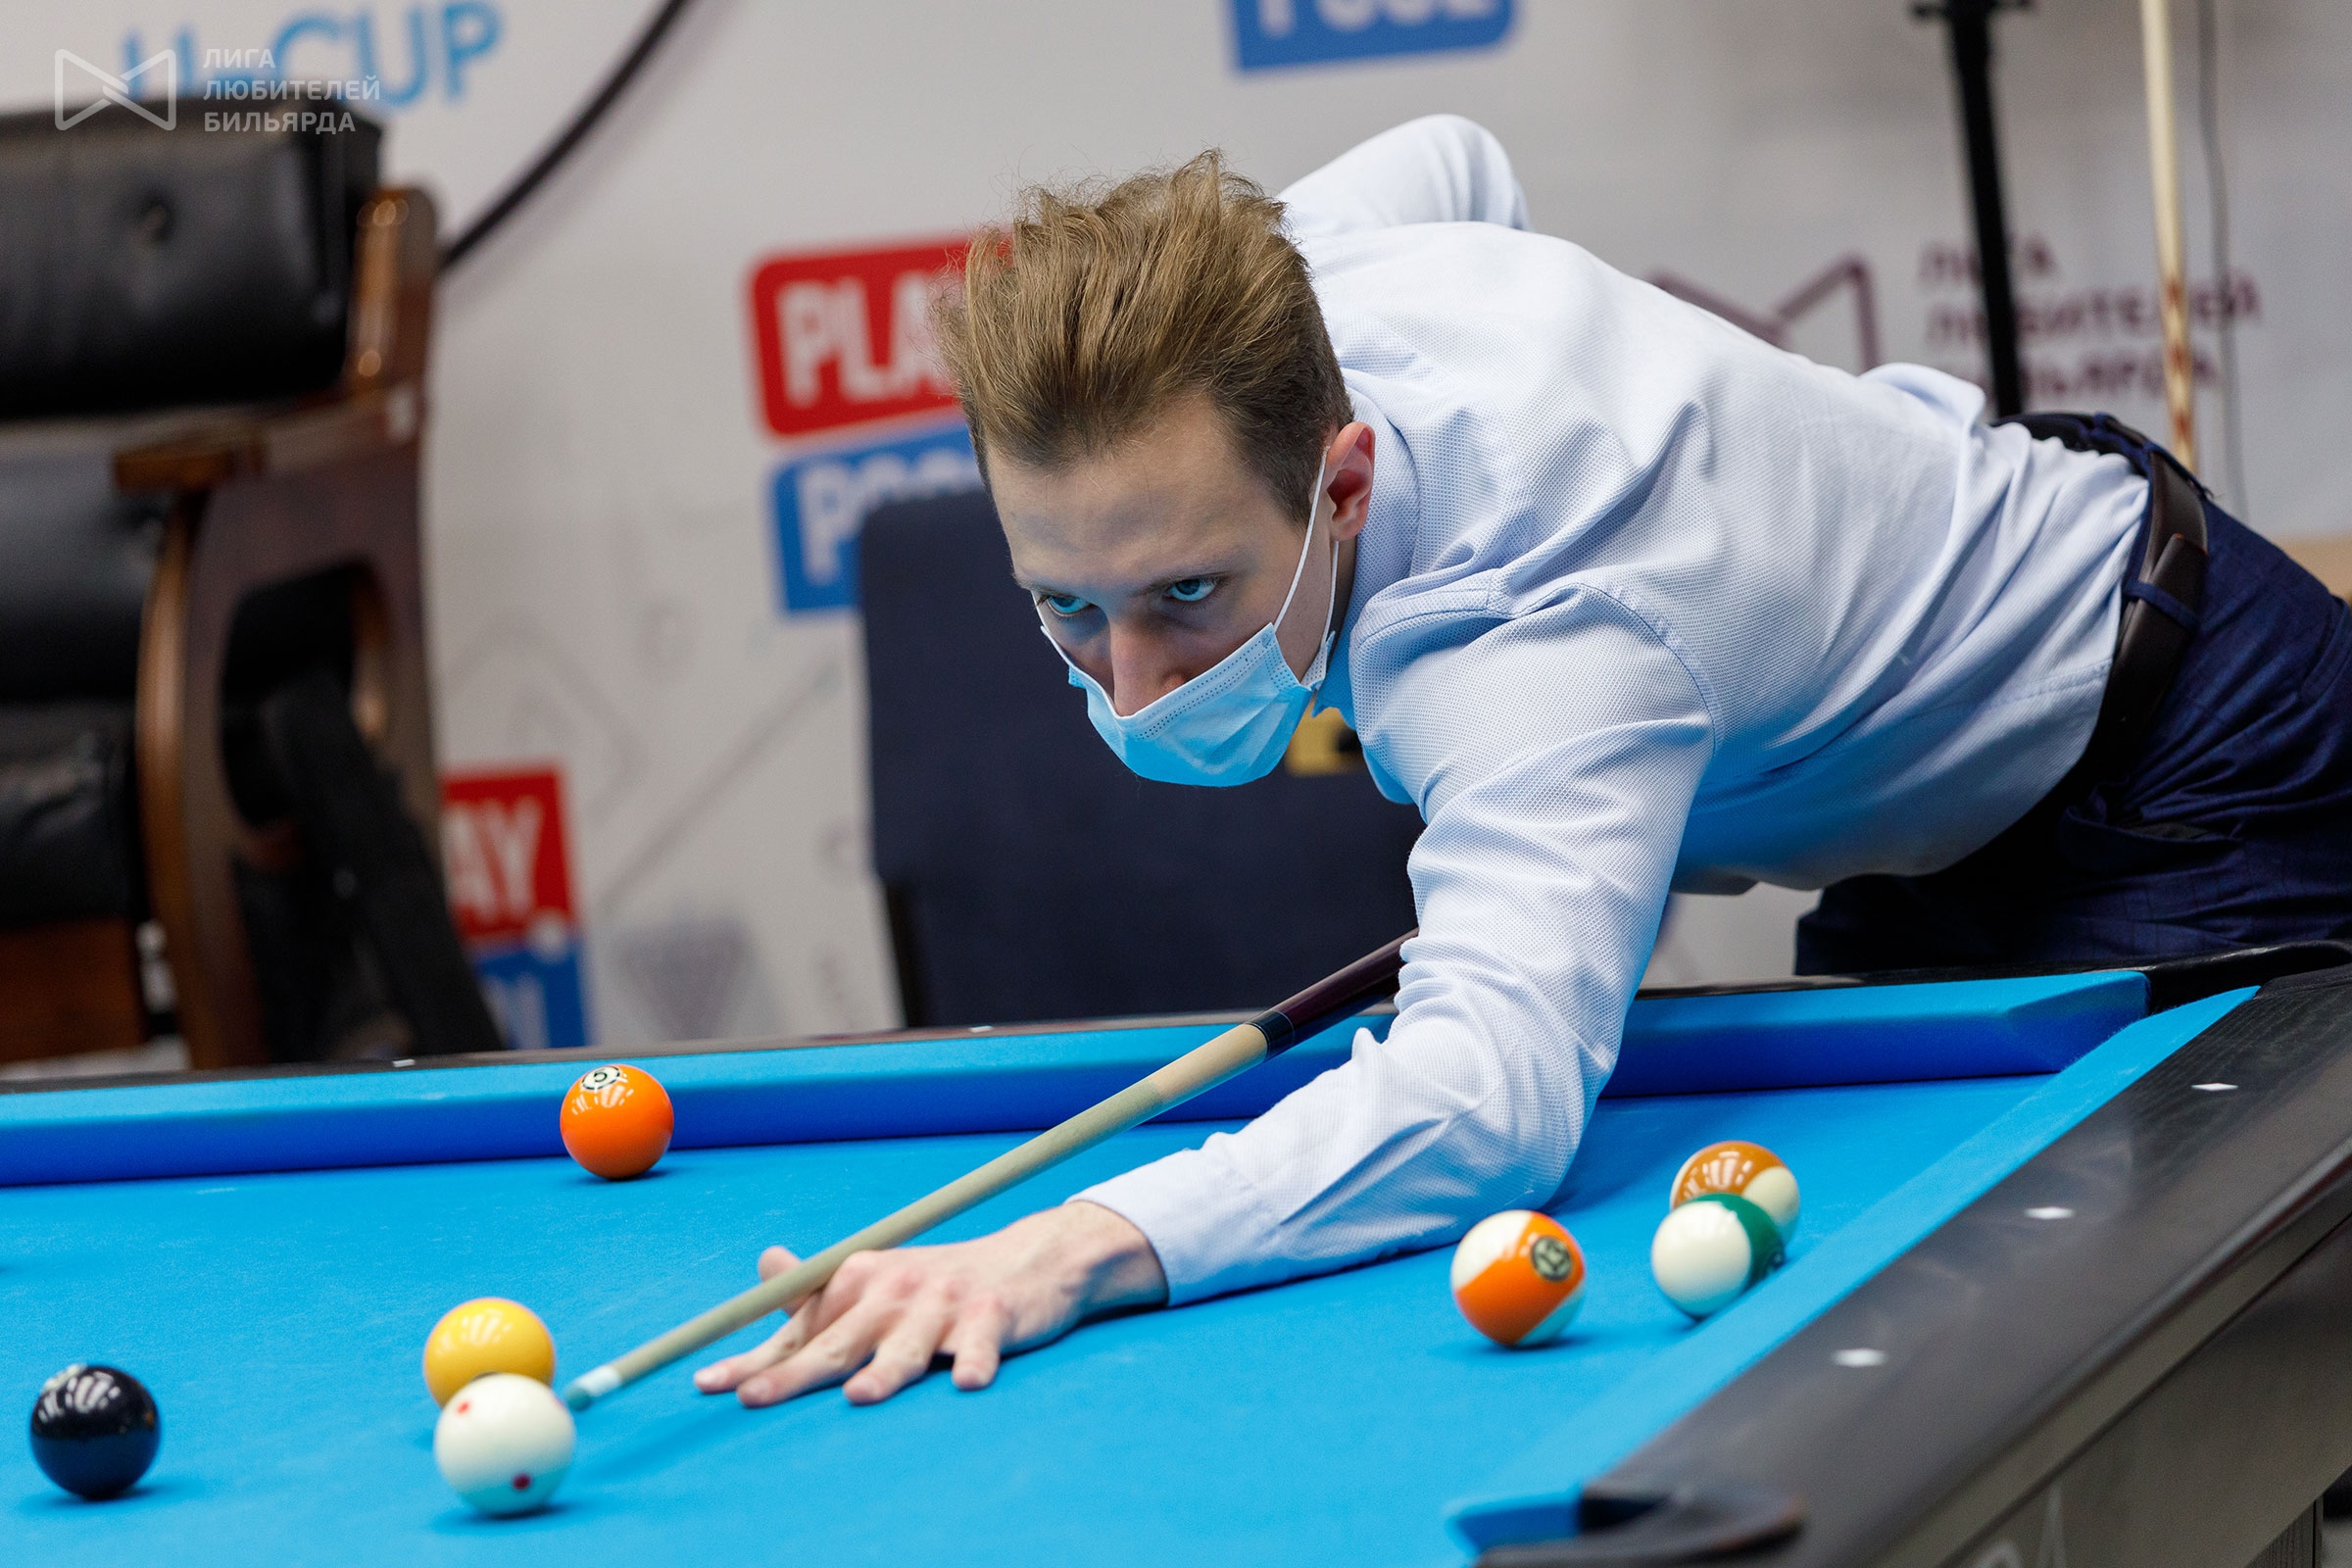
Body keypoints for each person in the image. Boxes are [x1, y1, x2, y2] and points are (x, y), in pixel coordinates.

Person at [696, 116, 2352, 1409]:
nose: (1130, 688)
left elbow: (1487, 1103)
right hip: (1954, 761)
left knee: (2171, 1378)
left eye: (1186, 594)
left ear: (1345, 484)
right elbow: (1456, 160)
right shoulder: (1286, 296)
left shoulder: (1538, 642)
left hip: (2196, 752)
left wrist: (1072, 1245)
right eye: (1066, 606)